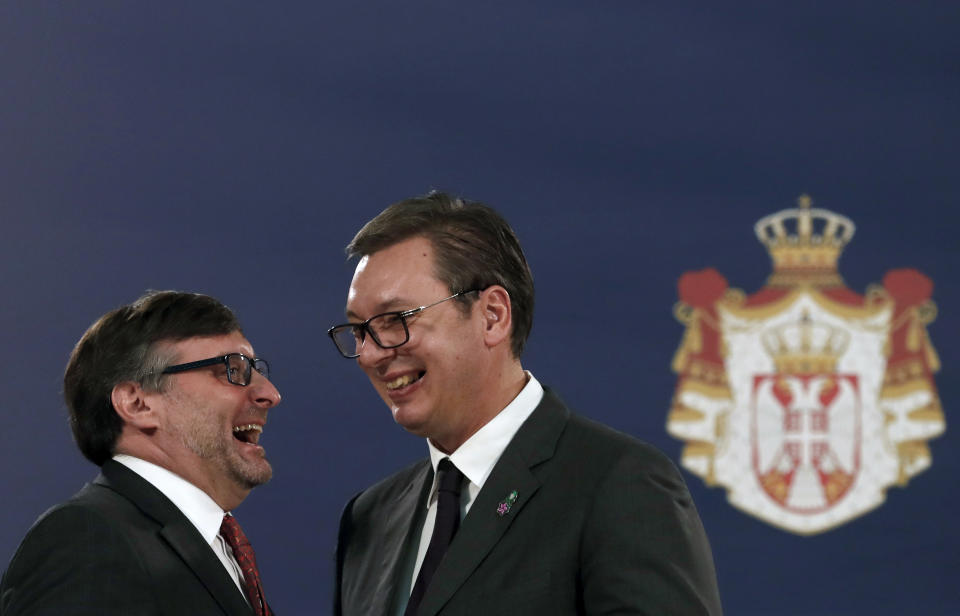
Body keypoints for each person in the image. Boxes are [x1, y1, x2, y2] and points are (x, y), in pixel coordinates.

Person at [330, 192, 723, 615]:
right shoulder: (369, 518)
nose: (370, 354)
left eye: (397, 321)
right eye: (359, 331)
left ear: (493, 316)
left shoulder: (619, 485)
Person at [0, 291, 281, 615]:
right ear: (138, 403)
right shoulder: (88, 538)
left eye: (255, 370)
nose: (269, 394)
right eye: (233, 370)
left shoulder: (215, 548)